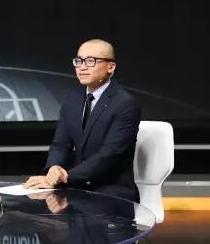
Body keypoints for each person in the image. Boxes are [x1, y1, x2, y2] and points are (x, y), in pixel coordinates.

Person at [24, 39, 141, 202]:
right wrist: (54, 168)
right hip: (76, 189)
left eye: (90, 61)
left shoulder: (125, 104)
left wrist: (65, 176)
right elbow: (61, 144)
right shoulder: (72, 99)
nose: (82, 67)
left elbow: (109, 154)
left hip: (112, 194)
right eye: (79, 61)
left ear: (110, 67)